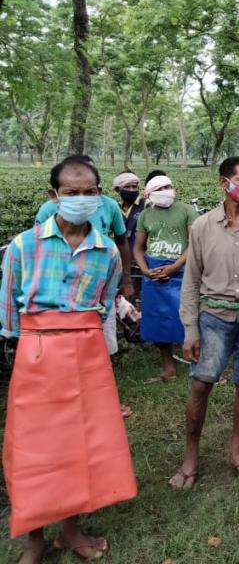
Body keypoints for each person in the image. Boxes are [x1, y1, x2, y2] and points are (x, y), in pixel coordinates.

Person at [1, 157, 137, 563]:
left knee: (84, 444)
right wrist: (27, 349)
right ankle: (35, 539)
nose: (81, 199)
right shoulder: (24, 246)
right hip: (37, 355)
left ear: (100, 196)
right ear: (54, 196)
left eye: (89, 193)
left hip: (88, 355)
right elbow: (9, 314)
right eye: (71, 193)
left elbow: (103, 302)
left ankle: (70, 531)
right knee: (35, 449)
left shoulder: (107, 252)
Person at [170, 156, 239, 489]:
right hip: (213, 318)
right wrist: (190, 327)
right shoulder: (203, 227)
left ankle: (236, 451)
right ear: (225, 183)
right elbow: (191, 281)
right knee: (200, 384)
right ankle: (191, 455)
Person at [35, 155, 135, 342]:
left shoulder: (109, 207)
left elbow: (122, 242)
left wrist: (126, 279)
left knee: (100, 340)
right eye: (73, 191)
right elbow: (37, 250)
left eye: (88, 187)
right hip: (57, 289)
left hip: (98, 286)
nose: (81, 197)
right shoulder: (48, 210)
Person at [134, 175, 198, 380]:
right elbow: (138, 247)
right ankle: (168, 366)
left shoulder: (187, 211)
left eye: (169, 186)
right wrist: (145, 270)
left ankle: (196, 363)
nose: (166, 190)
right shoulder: (145, 215)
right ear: (150, 194)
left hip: (181, 271)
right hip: (153, 272)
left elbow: (194, 243)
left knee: (187, 317)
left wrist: (174, 267)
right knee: (158, 320)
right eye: (160, 187)